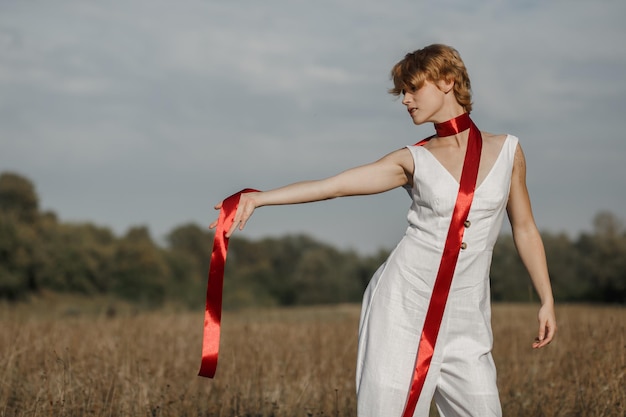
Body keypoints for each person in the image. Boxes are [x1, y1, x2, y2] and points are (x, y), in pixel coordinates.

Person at [211, 44, 556, 417]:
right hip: (403, 307)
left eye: (412, 88)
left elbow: (524, 228)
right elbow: (335, 186)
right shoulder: (412, 159)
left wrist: (546, 298)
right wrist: (260, 198)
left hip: (467, 318)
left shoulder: (509, 151)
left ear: (447, 81)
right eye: (402, 92)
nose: (405, 100)